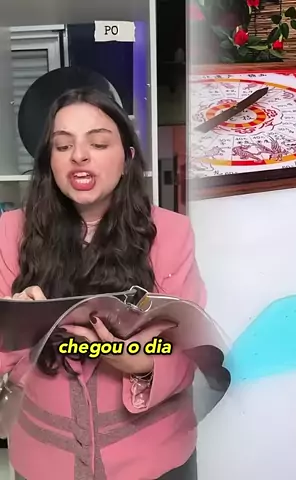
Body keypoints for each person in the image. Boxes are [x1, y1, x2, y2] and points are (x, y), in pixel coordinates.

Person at [0, 87, 205, 480]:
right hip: (44, 462)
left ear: (127, 158)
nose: (79, 155)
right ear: (49, 163)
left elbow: (193, 346)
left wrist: (140, 363)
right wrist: (14, 322)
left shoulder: (171, 233)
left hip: (156, 460)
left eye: (97, 143)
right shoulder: (10, 233)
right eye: (63, 146)